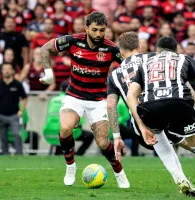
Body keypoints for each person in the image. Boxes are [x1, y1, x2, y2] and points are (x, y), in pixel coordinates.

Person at [39, 11, 130, 188]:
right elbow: (45, 49)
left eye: (102, 30)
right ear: (86, 27)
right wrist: (48, 73)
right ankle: (70, 166)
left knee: (103, 143)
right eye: (94, 30)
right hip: (74, 96)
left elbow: (129, 66)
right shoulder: (73, 40)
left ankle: (119, 172)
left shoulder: (111, 48)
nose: (98, 34)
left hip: (97, 100)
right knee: (65, 128)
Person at [107, 32, 195, 197]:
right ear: (140, 47)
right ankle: (185, 171)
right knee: (185, 139)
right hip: (171, 102)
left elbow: (111, 105)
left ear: (120, 51)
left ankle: (180, 179)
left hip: (142, 117)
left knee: (164, 143)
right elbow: (179, 76)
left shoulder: (114, 74)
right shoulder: (153, 57)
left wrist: (116, 136)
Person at [0, 63, 27, 155]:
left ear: (12, 71)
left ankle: (19, 153)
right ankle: (5, 153)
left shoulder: (17, 84)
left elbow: (24, 98)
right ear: (2, 71)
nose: (6, 71)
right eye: (4, 69)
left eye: (8, 69)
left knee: (16, 134)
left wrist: (21, 110)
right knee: (3, 136)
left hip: (14, 115)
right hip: (1, 115)